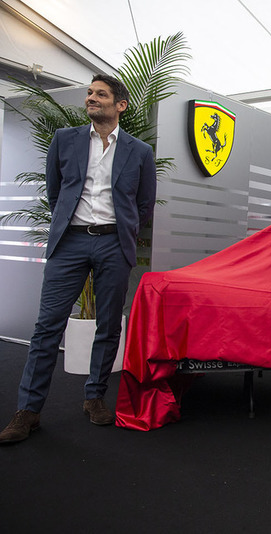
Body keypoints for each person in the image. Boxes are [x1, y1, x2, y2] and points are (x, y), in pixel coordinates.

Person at [0, 74, 157, 444]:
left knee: (108, 325)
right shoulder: (64, 139)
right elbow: (56, 194)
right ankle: (28, 411)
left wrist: (124, 234)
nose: (91, 98)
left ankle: (94, 397)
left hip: (113, 244)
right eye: (89, 93)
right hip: (69, 243)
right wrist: (69, 226)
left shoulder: (139, 151)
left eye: (100, 95)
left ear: (120, 105)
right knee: (47, 327)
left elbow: (144, 204)